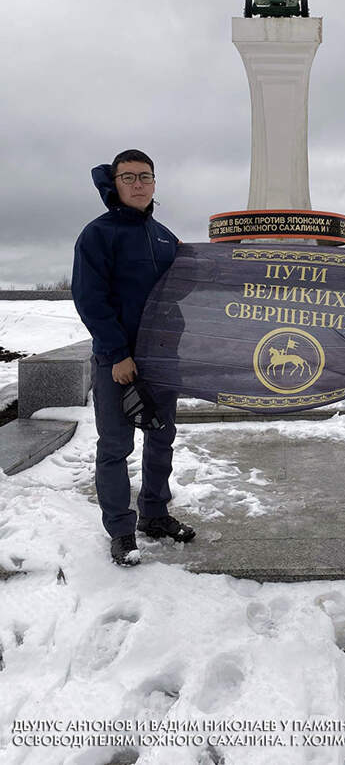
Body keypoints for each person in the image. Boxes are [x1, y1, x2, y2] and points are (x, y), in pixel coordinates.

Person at [72, 149, 195, 566]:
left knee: (161, 438)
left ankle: (155, 514)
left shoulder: (163, 237)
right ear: (115, 183)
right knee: (115, 446)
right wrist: (117, 354)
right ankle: (121, 530)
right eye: (129, 177)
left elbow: (178, 291)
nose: (138, 184)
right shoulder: (97, 234)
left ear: (155, 183)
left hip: (162, 360)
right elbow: (91, 300)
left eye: (145, 176)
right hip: (118, 362)